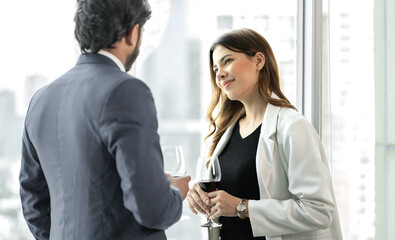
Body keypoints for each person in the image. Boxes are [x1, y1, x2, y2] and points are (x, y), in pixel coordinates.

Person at [19, 0, 190, 239]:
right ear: (133, 33)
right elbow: (152, 208)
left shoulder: (40, 100)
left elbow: (33, 203)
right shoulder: (126, 90)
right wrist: (173, 192)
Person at [187, 28, 342, 240]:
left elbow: (319, 211)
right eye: (215, 68)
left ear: (259, 61)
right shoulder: (227, 130)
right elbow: (227, 194)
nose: (219, 73)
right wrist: (200, 193)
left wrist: (243, 207)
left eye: (227, 61)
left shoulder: (292, 127)